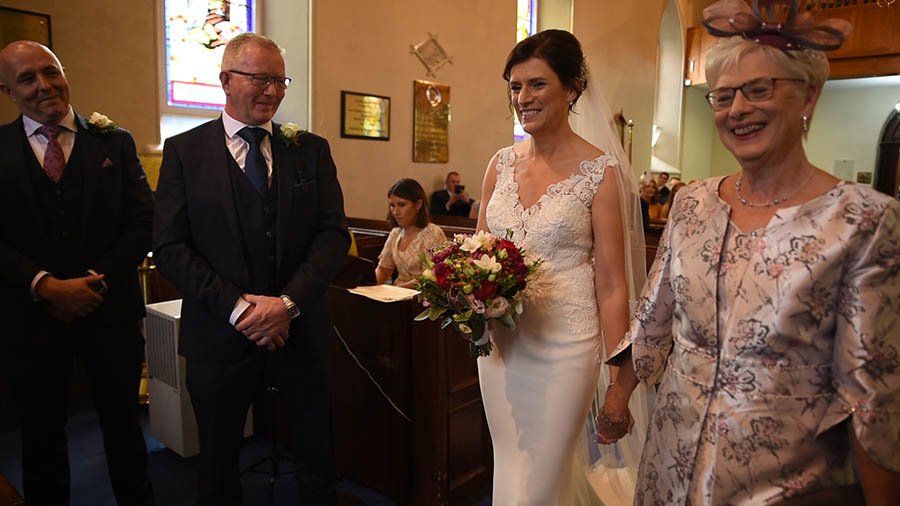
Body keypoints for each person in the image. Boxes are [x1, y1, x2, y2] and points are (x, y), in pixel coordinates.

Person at [602, 1, 900, 504]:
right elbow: (655, 312)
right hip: (669, 459)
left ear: (809, 95)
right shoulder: (693, 202)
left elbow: (871, 391)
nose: (737, 109)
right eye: (722, 97)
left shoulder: (862, 220)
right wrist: (617, 397)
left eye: (759, 90)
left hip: (782, 480)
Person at [152, 33, 350, 506]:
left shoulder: (310, 150)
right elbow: (171, 246)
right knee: (218, 460)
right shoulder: (184, 152)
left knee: (315, 453)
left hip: (299, 330)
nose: (273, 91)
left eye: (279, 80)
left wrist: (287, 304)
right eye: (260, 78)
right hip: (220, 334)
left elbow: (333, 235)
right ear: (225, 79)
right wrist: (239, 309)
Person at [476, 29, 650, 505]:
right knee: (510, 466)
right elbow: (477, 253)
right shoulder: (500, 164)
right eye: (515, 87)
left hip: (566, 347)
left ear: (572, 89)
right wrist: (466, 297)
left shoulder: (600, 173)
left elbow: (614, 285)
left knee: (541, 479)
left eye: (537, 85)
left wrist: (618, 382)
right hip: (500, 347)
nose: (522, 98)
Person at [0, 41, 154, 506]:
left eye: (51, 72)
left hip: (110, 313)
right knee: (41, 433)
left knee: (125, 428)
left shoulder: (116, 142)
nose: (44, 85)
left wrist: (94, 281)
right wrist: (44, 286)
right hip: (30, 319)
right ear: (7, 90)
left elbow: (142, 221)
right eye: (27, 79)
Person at [375, 178, 446, 288]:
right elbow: (383, 270)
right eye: (392, 205)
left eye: (402, 205)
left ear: (418, 204)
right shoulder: (395, 233)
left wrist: (397, 290)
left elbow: (431, 276)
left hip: (421, 297)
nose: (395, 212)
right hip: (396, 295)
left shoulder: (433, 233)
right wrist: (367, 286)